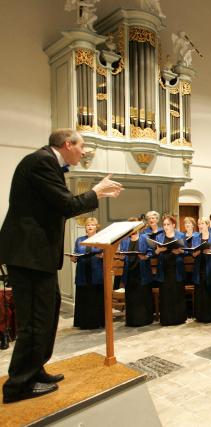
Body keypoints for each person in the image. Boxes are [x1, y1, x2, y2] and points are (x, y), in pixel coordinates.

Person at [0, 129, 122, 403]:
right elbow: (66, 205)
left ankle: (35, 371)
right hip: (28, 254)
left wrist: (94, 193)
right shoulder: (41, 162)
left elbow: (58, 206)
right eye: (82, 146)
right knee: (34, 320)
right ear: (67, 144)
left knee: (48, 313)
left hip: (36, 255)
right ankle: (19, 385)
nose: (85, 151)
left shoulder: (47, 163)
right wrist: (96, 192)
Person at [152, 215, 187, 326]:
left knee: (177, 294)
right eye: (164, 225)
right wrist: (158, 250)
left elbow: (186, 251)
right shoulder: (159, 237)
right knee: (166, 295)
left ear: (173, 225)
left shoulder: (180, 235)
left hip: (176, 268)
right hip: (164, 269)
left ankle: (179, 319)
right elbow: (155, 253)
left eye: (168, 224)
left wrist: (180, 252)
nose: (166, 227)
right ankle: (166, 319)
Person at [119, 217, 153, 327]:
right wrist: (121, 256)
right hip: (129, 272)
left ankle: (144, 320)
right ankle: (131, 320)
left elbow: (151, 251)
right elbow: (122, 253)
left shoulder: (145, 237)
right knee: (131, 297)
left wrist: (146, 256)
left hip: (142, 271)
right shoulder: (125, 240)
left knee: (143, 296)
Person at [71, 217, 105, 330]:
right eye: (88, 225)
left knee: (96, 297)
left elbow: (107, 254)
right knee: (84, 297)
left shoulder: (101, 239)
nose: (90, 227)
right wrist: (74, 258)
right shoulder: (79, 240)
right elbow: (76, 253)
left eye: (92, 225)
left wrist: (102, 256)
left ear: (96, 227)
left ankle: (97, 322)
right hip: (82, 272)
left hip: (96, 272)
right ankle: (83, 322)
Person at [191, 217, 211, 323]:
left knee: (210, 291)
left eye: (202, 223)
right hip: (199, 268)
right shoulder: (195, 237)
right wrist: (198, 252)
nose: (200, 226)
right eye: (199, 224)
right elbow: (193, 254)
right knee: (200, 292)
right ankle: (200, 316)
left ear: (208, 225)